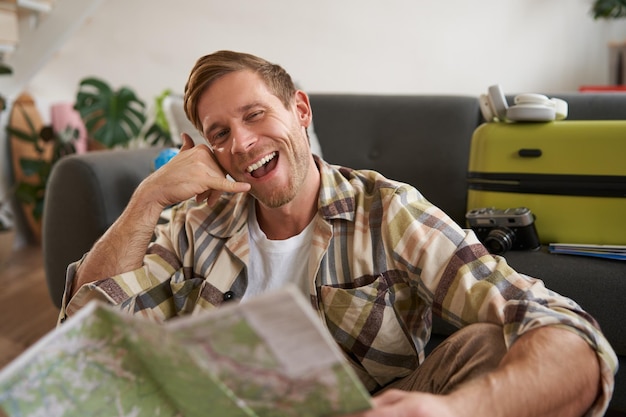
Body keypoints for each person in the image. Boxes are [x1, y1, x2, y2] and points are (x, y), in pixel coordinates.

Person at [60, 50, 616, 417]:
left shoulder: (389, 212)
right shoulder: (192, 226)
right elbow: (86, 333)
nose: (244, 142)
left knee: (494, 345)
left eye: (256, 115)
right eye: (220, 132)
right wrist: (150, 196)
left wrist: (456, 411)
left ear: (300, 110)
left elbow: (571, 334)